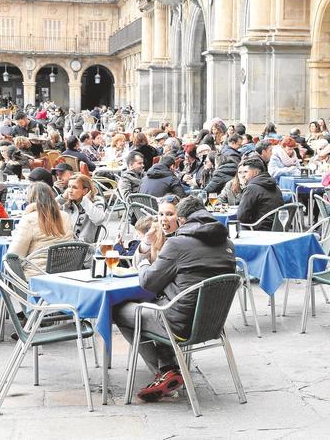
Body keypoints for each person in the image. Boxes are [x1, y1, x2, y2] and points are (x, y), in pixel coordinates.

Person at [113, 196, 236, 402]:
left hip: (178, 324)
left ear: (183, 219)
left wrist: (143, 262)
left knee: (118, 310)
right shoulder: (227, 243)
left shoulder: (178, 244)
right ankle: (168, 368)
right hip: (212, 323)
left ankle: (165, 372)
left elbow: (148, 283)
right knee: (161, 306)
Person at [8, 182, 73, 278]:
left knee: (4, 266)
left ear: (30, 198)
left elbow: (13, 256)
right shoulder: (65, 216)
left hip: (36, 276)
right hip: (63, 275)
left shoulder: (29, 219)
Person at [56, 174, 105, 243]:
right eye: (69, 187)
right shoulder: (66, 203)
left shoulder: (95, 202)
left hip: (84, 247)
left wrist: (85, 201)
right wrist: (62, 197)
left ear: (85, 191)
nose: (70, 190)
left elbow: (99, 220)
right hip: (65, 243)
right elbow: (47, 212)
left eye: (74, 187)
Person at [237, 158, 284, 230]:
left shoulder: (252, 188)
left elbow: (241, 217)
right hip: (277, 228)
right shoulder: (275, 186)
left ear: (255, 173)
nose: (243, 175)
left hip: (259, 229)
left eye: (246, 172)